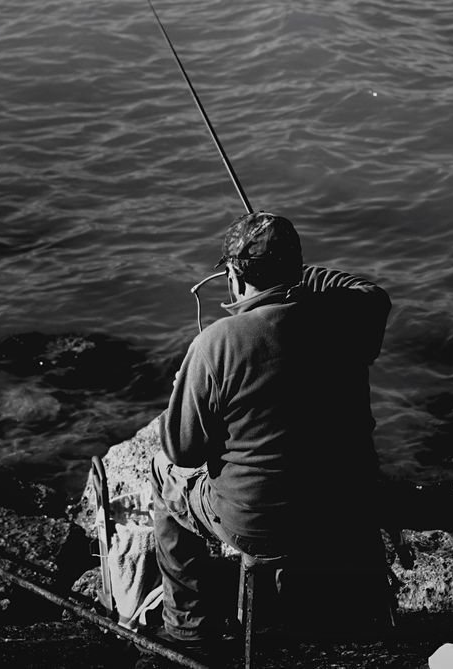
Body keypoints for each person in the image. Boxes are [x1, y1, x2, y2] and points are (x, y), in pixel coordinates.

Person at [149, 211, 392, 653]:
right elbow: (370, 292)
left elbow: (182, 451)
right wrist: (301, 276)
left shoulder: (217, 342)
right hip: (343, 510)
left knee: (163, 477)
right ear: (297, 270)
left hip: (259, 527)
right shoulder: (349, 319)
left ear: (233, 275)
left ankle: (188, 629)